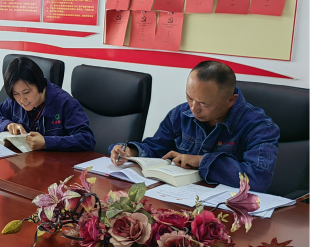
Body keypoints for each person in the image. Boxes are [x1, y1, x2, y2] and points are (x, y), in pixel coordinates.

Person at [109, 61, 279, 192]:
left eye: (204, 103)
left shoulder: (259, 127)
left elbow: (259, 179)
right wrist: (131, 151)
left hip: (227, 208)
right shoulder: (180, 114)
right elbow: (157, 148)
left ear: (230, 100)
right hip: (179, 198)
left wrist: (201, 161)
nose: (193, 109)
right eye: (189, 98)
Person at [0, 57, 96, 151]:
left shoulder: (65, 103)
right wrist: (7, 125)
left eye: (26, 92)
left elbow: (87, 139)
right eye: (15, 94)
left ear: (39, 84)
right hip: (24, 161)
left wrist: (46, 142)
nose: (22, 100)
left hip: (55, 164)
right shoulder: (14, 101)